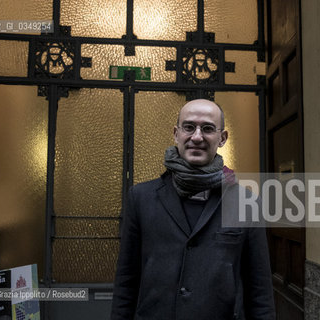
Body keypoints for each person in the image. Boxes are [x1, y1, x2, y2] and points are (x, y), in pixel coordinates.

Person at [111, 99, 275, 320]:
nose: (197, 137)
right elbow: (126, 281)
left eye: (207, 128)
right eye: (189, 127)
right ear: (176, 134)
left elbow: (260, 290)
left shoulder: (247, 203)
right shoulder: (141, 198)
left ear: (222, 138)